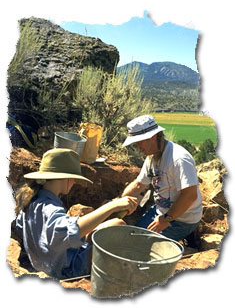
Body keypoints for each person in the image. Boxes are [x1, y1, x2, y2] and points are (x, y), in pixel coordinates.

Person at [15, 148, 138, 280]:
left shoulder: (35, 199)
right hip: (65, 269)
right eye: (73, 178)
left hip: (45, 261)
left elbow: (22, 228)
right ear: (65, 178)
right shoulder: (50, 208)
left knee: (116, 223)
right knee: (119, 230)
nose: (74, 182)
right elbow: (71, 231)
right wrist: (112, 206)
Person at [121, 114, 202, 242]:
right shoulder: (152, 157)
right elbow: (138, 185)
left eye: (138, 142)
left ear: (152, 137)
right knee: (133, 236)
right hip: (160, 211)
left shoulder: (179, 159)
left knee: (140, 245)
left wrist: (166, 219)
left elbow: (190, 195)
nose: (136, 146)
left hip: (182, 219)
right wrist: (118, 202)